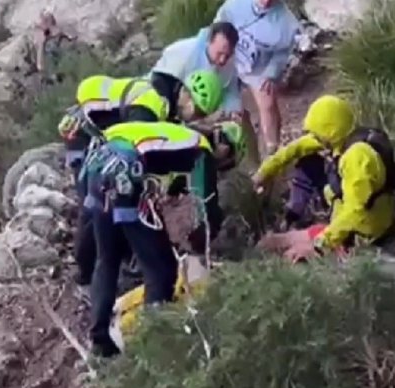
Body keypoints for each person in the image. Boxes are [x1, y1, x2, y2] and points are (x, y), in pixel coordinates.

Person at [81, 121, 247, 357]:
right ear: (224, 145)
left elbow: (172, 186)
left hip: (98, 165)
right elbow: (207, 205)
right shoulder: (201, 148)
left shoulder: (174, 135)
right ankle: (154, 341)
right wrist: (203, 243)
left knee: (107, 258)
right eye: (227, 160)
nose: (222, 166)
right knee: (162, 269)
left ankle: (100, 342)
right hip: (125, 172)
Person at [57, 70, 225, 297]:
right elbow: (131, 147)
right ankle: (85, 275)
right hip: (84, 134)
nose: (193, 116)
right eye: (195, 108)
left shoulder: (163, 103)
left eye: (200, 114)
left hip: (99, 136)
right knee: (97, 205)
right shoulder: (151, 104)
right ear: (185, 93)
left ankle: (115, 264)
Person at [251, 95, 395, 260]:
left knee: (289, 253)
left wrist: (320, 245)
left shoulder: (358, 159)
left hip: (361, 233)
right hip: (351, 224)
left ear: (329, 132)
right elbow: (294, 149)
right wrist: (262, 174)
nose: (313, 138)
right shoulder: (346, 137)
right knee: (271, 242)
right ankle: (295, 218)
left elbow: (354, 211)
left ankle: (310, 236)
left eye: (316, 134)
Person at [152, 21, 262, 168]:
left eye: (228, 55)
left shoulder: (228, 65)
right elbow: (160, 80)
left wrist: (234, 111)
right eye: (219, 54)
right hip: (171, 101)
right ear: (210, 41)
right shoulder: (185, 52)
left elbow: (231, 91)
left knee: (240, 121)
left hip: (203, 110)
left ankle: (255, 168)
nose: (223, 59)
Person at [214, 0, 300, 157]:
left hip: (260, 67)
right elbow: (218, 27)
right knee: (236, 111)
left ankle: (271, 152)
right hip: (232, 59)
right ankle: (249, 155)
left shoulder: (286, 23)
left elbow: (282, 53)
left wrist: (271, 72)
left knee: (268, 104)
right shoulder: (234, 5)